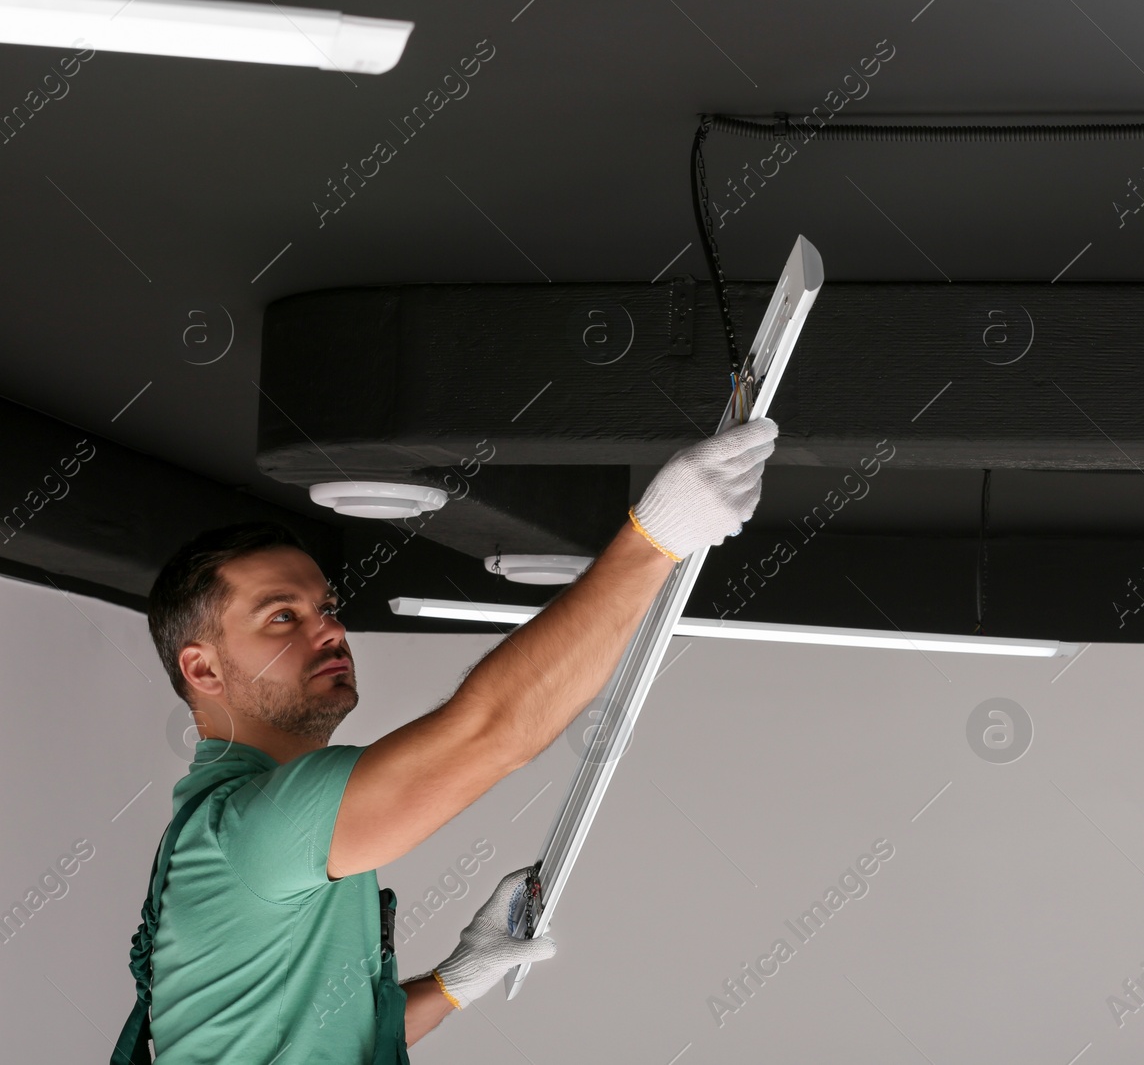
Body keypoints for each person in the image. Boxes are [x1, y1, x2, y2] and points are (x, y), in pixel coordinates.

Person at [114, 418, 778, 1064]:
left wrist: (455, 978)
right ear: (202, 669)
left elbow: (329, 1026)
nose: (330, 630)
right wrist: (652, 539)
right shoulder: (254, 827)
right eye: (283, 615)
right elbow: (493, 730)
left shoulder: (243, 826)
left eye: (327, 607)